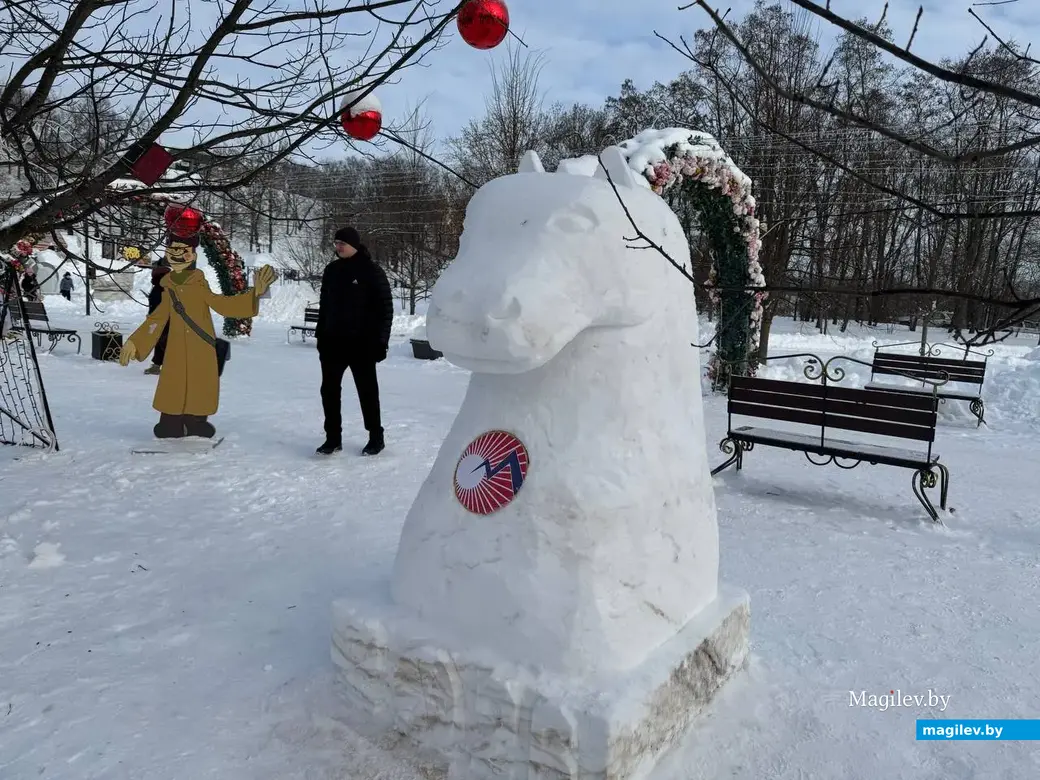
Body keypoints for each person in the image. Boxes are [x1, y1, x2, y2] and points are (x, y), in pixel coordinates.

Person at [118, 233, 275, 439]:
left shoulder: (199, 286)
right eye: (171, 250)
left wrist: (255, 293)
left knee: (199, 386)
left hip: (200, 349)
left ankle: (195, 422)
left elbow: (225, 305)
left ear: (192, 255)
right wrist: (135, 342)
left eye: (181, 250)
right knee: (173, 386)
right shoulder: (168, 289)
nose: (175, 255)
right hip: (176, 350)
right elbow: (155, 319)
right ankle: (170, 421)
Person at [314, 226, 393, 456]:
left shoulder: (371, 271)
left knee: (367, 392)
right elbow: (324, 306)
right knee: (329, 392)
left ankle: (376, 437)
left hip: (362, 344)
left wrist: (381, 341)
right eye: (336, 243)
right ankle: (332, 438)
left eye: (342, 243)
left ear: (354, 245)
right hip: (332, 343)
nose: (338, 247)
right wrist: (321, 335)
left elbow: (385, 309)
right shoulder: (332, 270)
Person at [143, 264, 170, 375]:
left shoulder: (165, 289)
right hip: (158, 320)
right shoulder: (159, 288)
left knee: (165, 343)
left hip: (166, 321)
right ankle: (156, 365)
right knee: (159, 342)